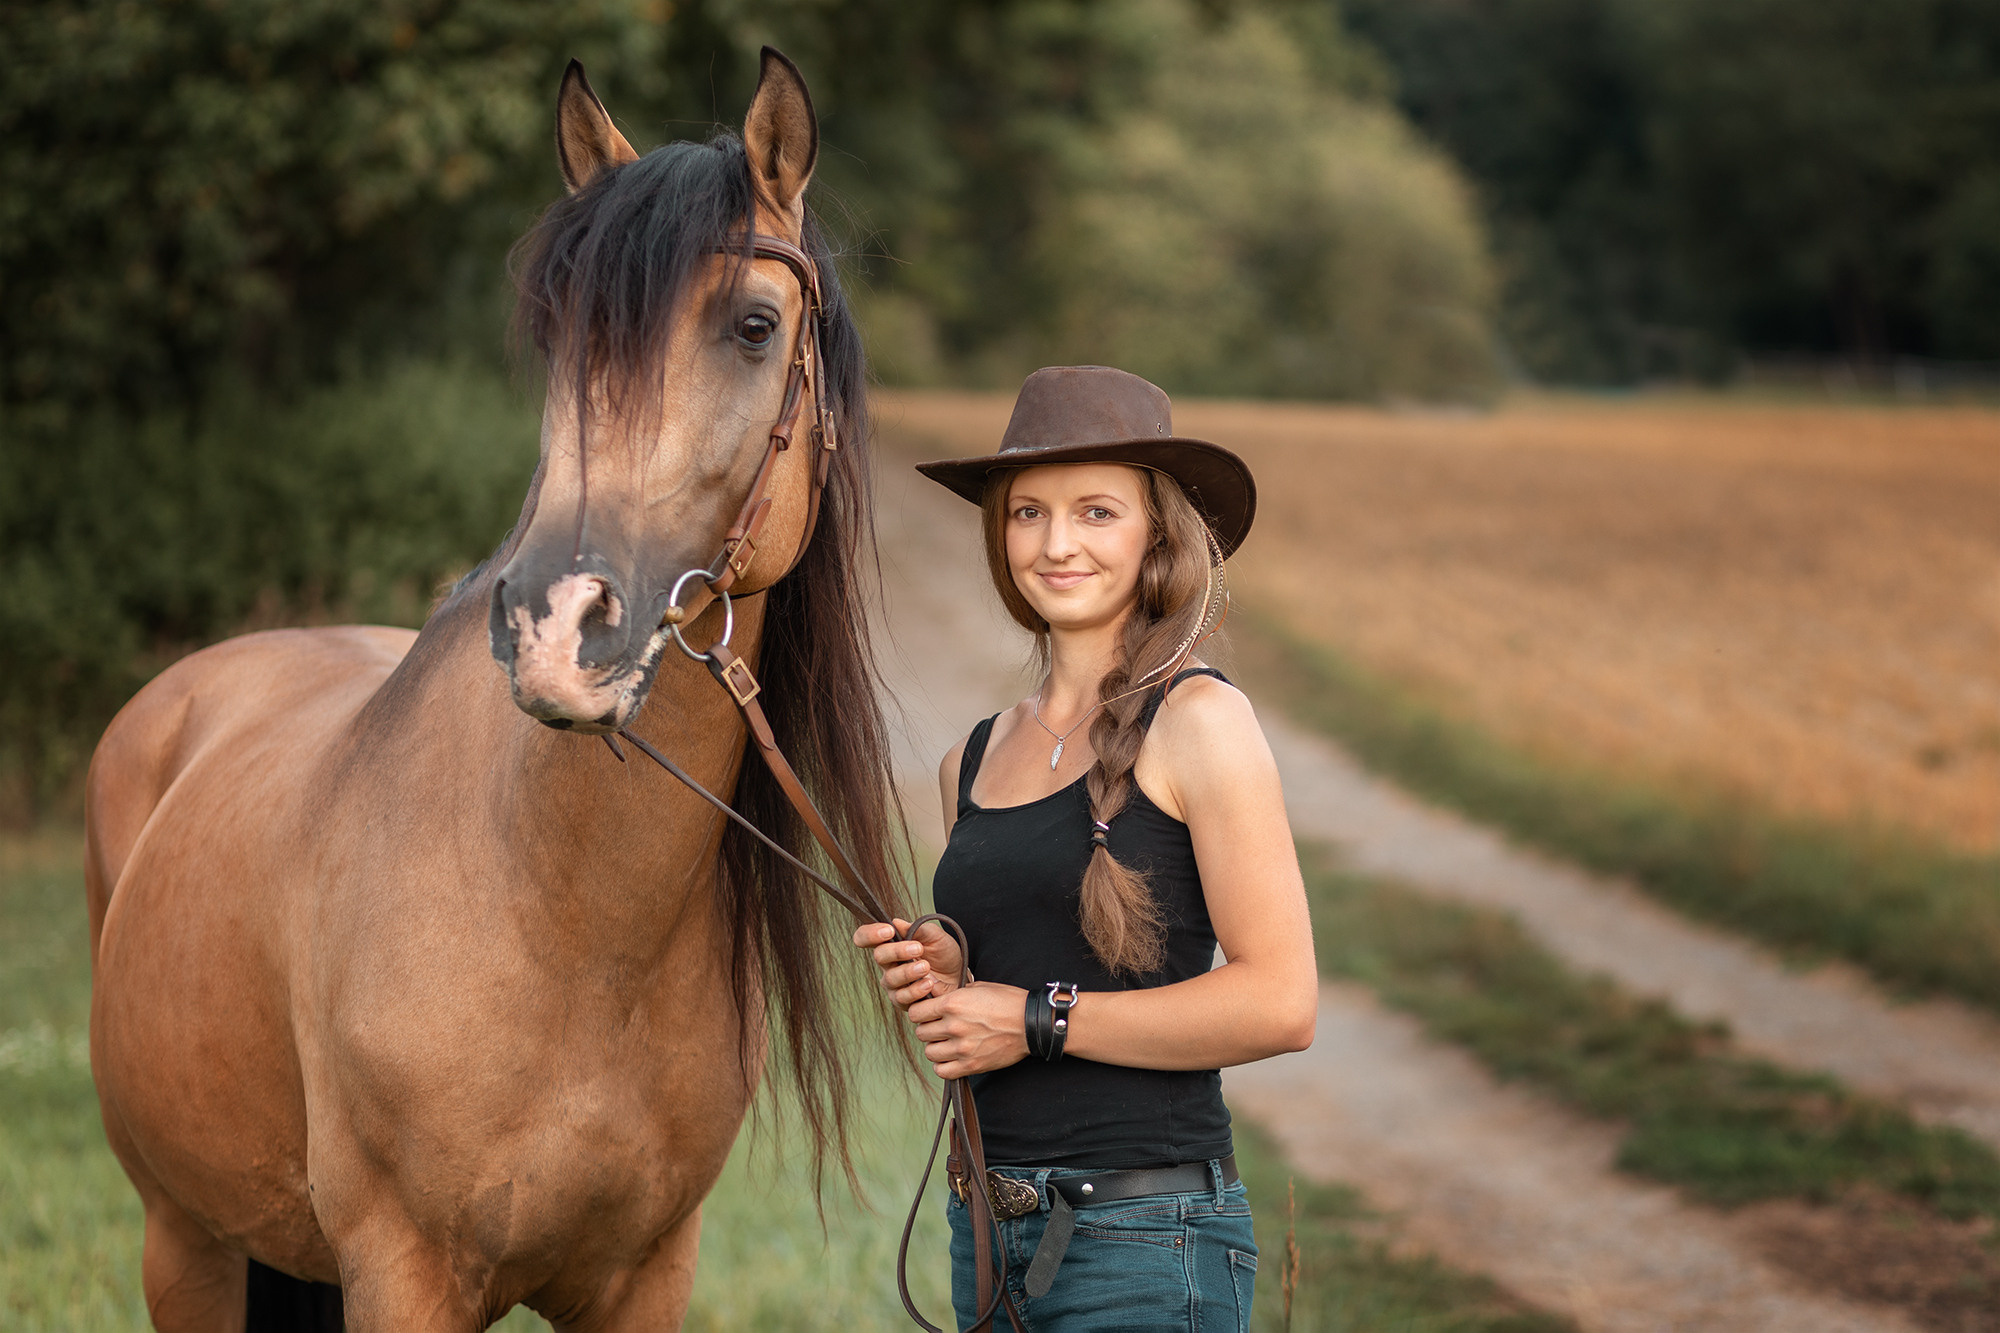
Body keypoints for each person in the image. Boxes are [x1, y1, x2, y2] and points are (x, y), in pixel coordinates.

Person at [855, 365, 1319, 1332]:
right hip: (987, 1234)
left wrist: (1035, 1018)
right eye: (1028, 513)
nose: (1056, 543)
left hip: (1147, 1238)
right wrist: (952, 973)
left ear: (1158, 535)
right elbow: (1022, 981)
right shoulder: (970, 758)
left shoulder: (1198, 720)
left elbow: (1282, 1002)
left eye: (1096, 512)